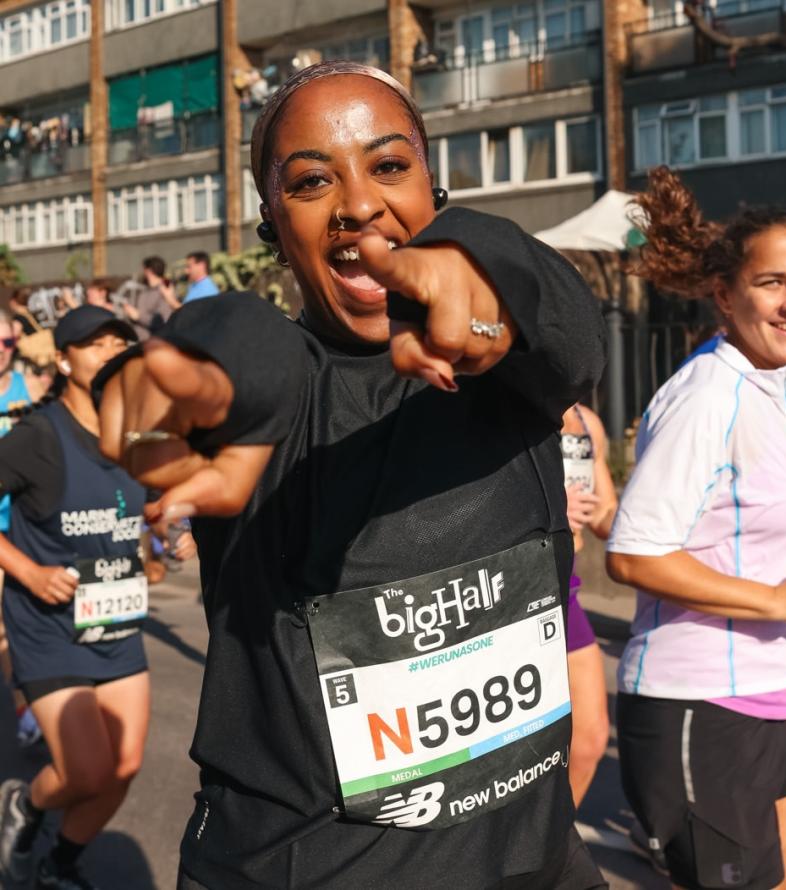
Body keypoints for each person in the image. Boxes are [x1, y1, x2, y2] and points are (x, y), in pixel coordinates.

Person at [93, 62, 608, 889]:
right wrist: (175, 380)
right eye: (310, 182)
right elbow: (238, 349)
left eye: (389, 165)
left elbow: (574, 332)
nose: (359, 204)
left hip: (533, 865)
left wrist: (485, 281)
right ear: (271, 220)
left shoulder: (511, 365)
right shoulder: (280, 387)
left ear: (435, 187)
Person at [607, 167, 786, 890]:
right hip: (699, 702)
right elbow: (633, 553)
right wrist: (779, 601)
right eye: (773, 284)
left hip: (785, 686)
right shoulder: (706, 396)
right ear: (725, 295)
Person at [0, 305, 191, 890]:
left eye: (119, 340)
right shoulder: (36, 435)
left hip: (116, 619)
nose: (111, 350)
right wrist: (28, 571)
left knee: (125, 765)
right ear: (62, 359)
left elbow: (156, 504)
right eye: (93, 343)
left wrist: (172, 532)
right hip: (48, 626)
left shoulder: (141, 432)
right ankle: (26, 806)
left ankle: (60, 864)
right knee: (87, 771)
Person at [561, 404, 616, 808]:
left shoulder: (586, 422)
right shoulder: (497, 404)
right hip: (518, 586)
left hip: (568, 583)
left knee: (590, 738)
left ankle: (556, 848)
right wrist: (543, 506)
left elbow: (605, 514)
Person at [0, 310, 38, 745]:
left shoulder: (31, 388)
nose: (1, 350)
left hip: (24, 520)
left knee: (17, 620)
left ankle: (26, 705)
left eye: (8, 342)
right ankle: (24, 705)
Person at [120, 257, 175, 341]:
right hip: (140, 341)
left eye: (143, 270)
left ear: (148, 271)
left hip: (154, 343)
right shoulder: (145, 290)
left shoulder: (165, 291)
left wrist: (138, 316)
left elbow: (164, 321)